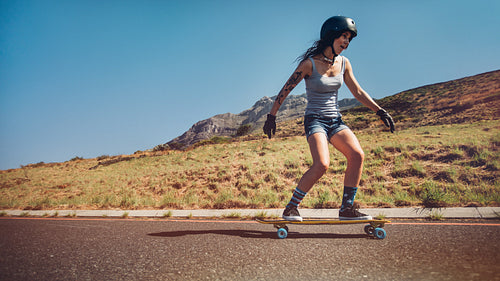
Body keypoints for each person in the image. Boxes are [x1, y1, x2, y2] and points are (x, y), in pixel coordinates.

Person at [263, 16, 395, 222]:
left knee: (357, 155)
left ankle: (347, 208)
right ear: (331, 36)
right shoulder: (309, 64)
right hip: (314, 120)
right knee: (322, 164)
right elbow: (286, 89)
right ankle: (291, 207)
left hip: (335, 120)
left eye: (349, 38)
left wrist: (380, 111)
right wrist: (271, 116)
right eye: (343, 36)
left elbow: (357, 91)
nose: (347, 42)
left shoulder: (344, 63)